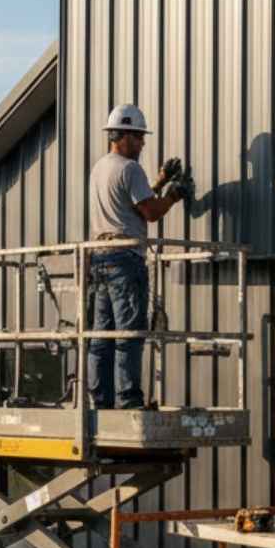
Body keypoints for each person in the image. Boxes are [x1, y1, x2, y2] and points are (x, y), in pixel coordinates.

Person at [86, 104, 186, 409]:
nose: (143, 143)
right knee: (129, 333)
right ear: (124, 136)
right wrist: (173, 195)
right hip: (125, 259)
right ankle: (129, 401)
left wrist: (158, 181)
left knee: (102, 335)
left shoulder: (101, 167)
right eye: (139, 137)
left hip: (99, 259)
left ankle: (99, 401)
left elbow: (128, 202)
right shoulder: (130, 168)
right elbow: (150, 212)